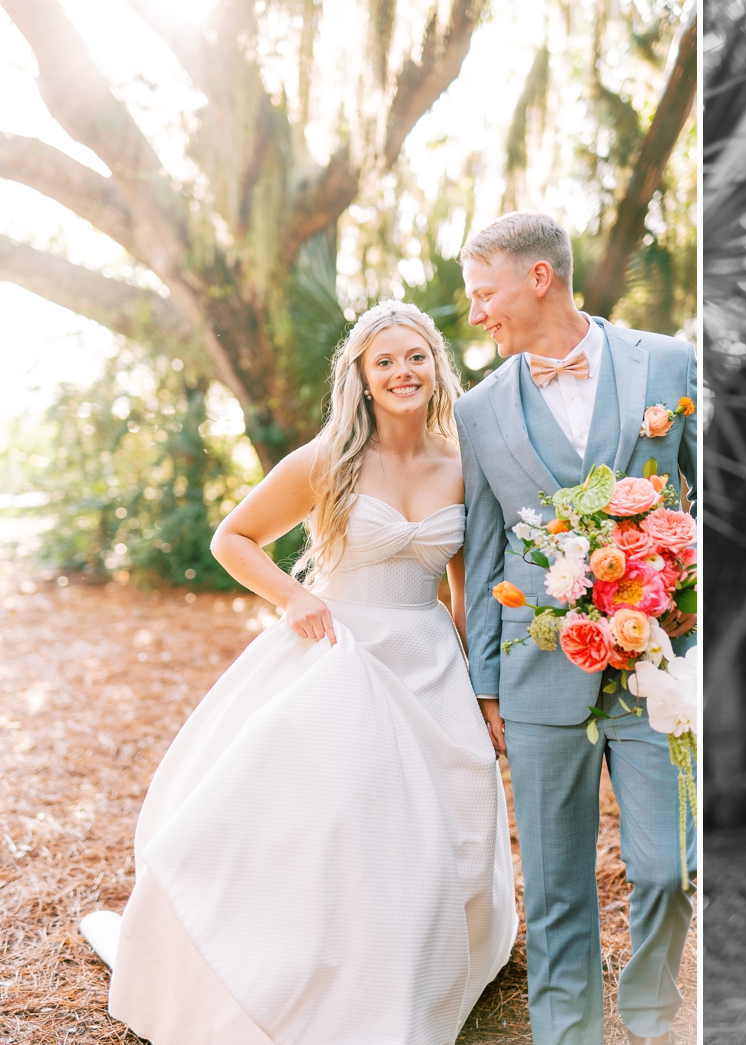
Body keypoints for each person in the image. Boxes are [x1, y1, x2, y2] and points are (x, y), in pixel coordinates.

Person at [96, 301, 517, 1044]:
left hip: (430, 662)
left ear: (436, 366)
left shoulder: (461, 463)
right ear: (360, 376)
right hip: (341, 655)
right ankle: (314, 979)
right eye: (383, 361)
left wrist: (480, 690)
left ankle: (416, 971)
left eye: (415, 356)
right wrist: (294, 596)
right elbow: (236, 539)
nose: (401, 371)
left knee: (447, 821)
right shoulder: (328, 460)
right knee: (341, 824)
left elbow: (463, 589)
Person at [454, 212, 697, 1045]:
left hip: (653, 667)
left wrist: (693, 622)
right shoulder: (478, 410)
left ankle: (653, 1011)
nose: (477, 314)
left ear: (539, 279)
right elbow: (485, 553)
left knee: (669, 868)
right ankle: (569, 1032)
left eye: (484, 294)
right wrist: (484, 684)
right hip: (537, 672)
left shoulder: (667, 362)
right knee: (557, 882)